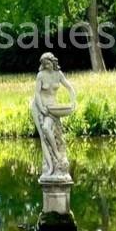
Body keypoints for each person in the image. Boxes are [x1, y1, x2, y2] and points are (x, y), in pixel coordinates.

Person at [31, 52, 77, 182]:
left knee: (51, 130)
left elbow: (69, 87)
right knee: (45, 129)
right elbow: (37, 94)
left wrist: (73, 101)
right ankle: (55, 156)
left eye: (49, 63)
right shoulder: (40, 75)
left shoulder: (58, 74)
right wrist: (41, 108)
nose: (47, 66)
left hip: (53, 108)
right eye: (44, 64)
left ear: (53, 62)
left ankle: (57, 159)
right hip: (42, 108)